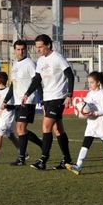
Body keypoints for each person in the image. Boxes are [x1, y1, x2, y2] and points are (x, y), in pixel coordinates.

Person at [22, 34, 74, 170]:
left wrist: (69, 95)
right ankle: (67, 160)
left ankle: (43, 160)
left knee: (46, 127)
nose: (38, 50)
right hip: (47, 98)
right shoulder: (40, 61)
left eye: (40, 47)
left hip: (58, 97)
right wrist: (27, 93)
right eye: (36, 47)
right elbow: (37, 79)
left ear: (48, 45)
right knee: (58, 129)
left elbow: (70, 75)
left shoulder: (57, 57)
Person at [66, 71, 103, 175]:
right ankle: (78, 166)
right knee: (86, 143)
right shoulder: (89, 94)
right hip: (92, 123)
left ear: (98, 82)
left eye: (92, 82)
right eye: (88, 82)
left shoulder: (102, 94)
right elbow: (85, 108)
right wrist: (79, 111)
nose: (90, 84)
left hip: (102, 123)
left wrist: (96, 113)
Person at [7, 40, 43, 166]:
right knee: (20, 129)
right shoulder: (15, 64)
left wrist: (41, 98)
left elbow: (37, 81)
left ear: (26, 50)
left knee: (21, 128)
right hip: (18, 101)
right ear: (14, 50)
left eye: (23, 49)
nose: (20, 52)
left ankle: (21, 158)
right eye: (18, 49)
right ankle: (42, 145)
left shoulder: (30, 64)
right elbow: (13, 84)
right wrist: (6, 99)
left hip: (27, 100)